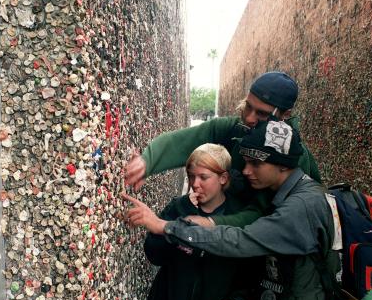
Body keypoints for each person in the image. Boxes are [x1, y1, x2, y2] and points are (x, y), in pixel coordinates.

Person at [124, 121, 339, 300]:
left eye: (255, 163)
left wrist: (167, 227)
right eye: (191, 176)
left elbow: (241, 244)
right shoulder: (288, 197)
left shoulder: (300, 207)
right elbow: (155, 254)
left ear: (282, 165)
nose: (245, 171)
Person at [124, 71, 321, 228]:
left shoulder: (293, 157)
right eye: (248, 107)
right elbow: (190, 138)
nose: (250, 118)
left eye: (261, 113)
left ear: (285, 115)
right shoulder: (240, 128)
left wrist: (209, 223)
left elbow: (260, 216)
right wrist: (146, 162)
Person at [139, 143, 257, 300]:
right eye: (191, 176)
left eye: (203, 177)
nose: (195, 184)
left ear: (223, 179)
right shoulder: (179, 207)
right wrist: (179, 218)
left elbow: (251, 272)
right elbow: (153, 253)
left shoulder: (239, 217)